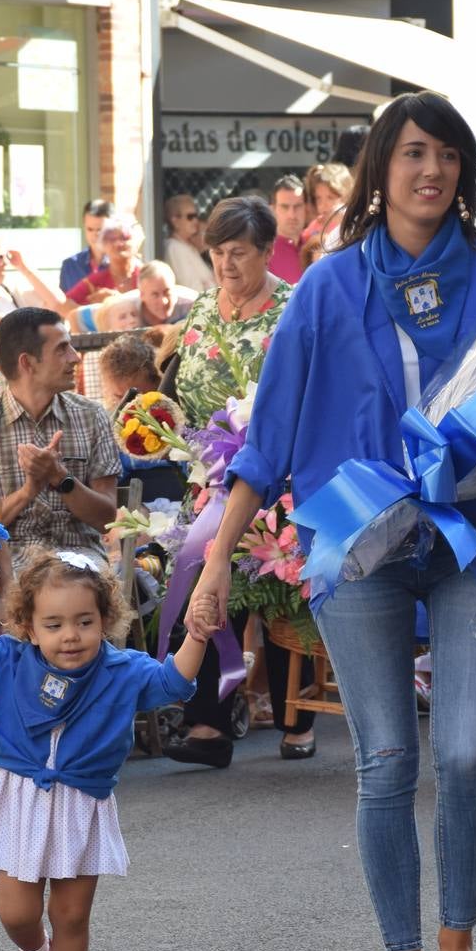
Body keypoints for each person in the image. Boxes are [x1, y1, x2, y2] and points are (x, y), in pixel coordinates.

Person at [192, 90, 476, 951]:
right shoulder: (324, 286)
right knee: (386, 759)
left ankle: (459, 947)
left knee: (467, 751)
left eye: (445, 155)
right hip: (359, 542)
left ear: (464, 172)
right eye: (411, 154)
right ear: (379, 171)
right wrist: (214, 560)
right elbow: (265, 439)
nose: (429, 171)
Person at [0, 545, 205, 951]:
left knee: (71, 913)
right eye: (54, 624)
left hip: (82, 801)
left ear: (105, 619)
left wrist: (196, 635)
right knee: (17, 911)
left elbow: (174, 682)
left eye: (84, 622)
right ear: (27, 624)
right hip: (19, 796)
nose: (70, 636)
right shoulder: (9, 659)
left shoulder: (124, 671)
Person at [160, 195, 305, 764]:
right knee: (212, 580)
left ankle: (296, 719)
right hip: (208, 476)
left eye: (238, 253)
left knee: (279, 586)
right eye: (217, 253)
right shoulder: (201, 308)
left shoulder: (292, 309)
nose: (226, 265)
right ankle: (210, 721)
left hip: (279, 473)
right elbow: (179, 386)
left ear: (268, 251)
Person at [0, 307, 119, 566]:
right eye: (62, 349)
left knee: (76, 590)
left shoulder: (92, 415)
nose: (75, 357)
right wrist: (27, 492)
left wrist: (60, 478)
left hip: (83, 561)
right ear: (28, 363)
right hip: (10, 568)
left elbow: (106, 518)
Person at [95, 260, 194, 331]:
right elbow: (79, 316)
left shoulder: (193, 303)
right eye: (155, 295)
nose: (164, 301)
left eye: (167, 292)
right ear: (142, 295)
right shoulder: (124, 305)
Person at [64, 217, 143, 306]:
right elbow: (64, 305)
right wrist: (90, 312)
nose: (118, 244)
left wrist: (115, 299)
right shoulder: (95, 281)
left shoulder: (147, 275)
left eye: (124, 238)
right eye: (111, 239)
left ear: (137, 241)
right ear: (103, 244)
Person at [162, 193, 214, 292]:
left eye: (196, 216)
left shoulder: (188, 246)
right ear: (175, 221)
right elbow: (192, 288)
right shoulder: (174, 248)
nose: (195, 221)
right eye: (190, 217)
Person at [59, 199, 113, 294]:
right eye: (90, 229)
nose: (95, 234)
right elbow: (61, 305)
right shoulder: (70, 265)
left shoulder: (124, 264)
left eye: (100, 229)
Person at [267, 175, 309, 284]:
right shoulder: (263, 253)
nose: (292, 215)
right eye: (285, 207)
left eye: (298, 206)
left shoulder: (316, 247)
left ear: (306, 207)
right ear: (273, 210)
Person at [302, 162, 352, 249]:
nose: (323, 205)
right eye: (318, 198)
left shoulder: (352, 224)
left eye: (330, 198)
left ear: (346, 197)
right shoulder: (315, 226)